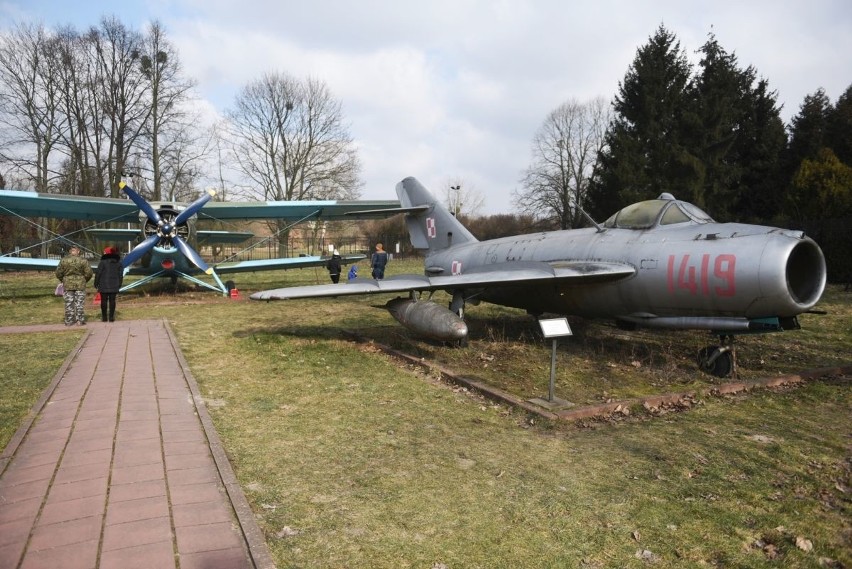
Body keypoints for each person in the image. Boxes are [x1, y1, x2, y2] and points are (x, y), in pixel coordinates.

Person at [55, 245, 93, 326]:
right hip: (80, 284)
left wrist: (63, 279)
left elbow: (58, 273)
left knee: (69, 303)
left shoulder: (64, 260)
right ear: (78, 251)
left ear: (70, 251)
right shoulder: (83, 261)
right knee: (79, 303)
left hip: (68, 284)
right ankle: (80, 320)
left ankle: (69, 321)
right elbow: (89, 273)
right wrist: (84, 279)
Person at [95, 246, 123, 322]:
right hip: (114, 284)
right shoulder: (119, 263)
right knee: (112, 300)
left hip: (103, 283)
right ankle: (111, 317)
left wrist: (96, 283)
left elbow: (98, 273)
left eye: (104, 252)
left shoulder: (102, 262)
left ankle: (104, 317)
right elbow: (120, 275)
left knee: (103, 300)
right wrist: (119, 284)